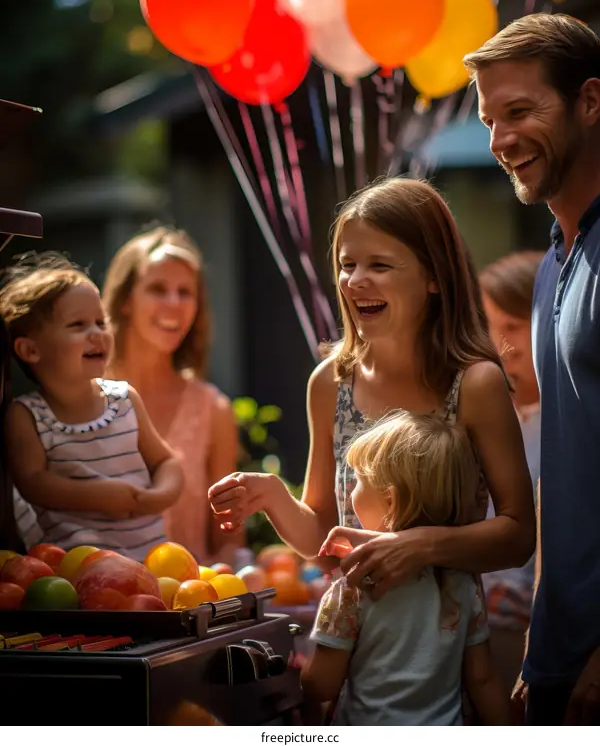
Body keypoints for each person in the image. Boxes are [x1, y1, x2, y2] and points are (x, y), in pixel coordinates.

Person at [209, 177, 535, 599]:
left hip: (449, 643)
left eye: (379, 265)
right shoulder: (329, 383)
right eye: (347, 265)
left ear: (435, 276)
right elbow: (325, 544)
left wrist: (419, 547)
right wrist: (272, 496)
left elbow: (519, 535)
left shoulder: (476, 383)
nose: (354, 281)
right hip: (353, 641)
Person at [463, 12, 600, 725]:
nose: (501, 140)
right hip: (557, 661)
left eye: (520, 111)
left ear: (590, 101)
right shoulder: (552, 265)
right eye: (490, 120)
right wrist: (543, 646)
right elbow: (563, 477)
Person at [302, 410, 509, 725]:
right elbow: (483, 679)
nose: (350, 491)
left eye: (358, 481)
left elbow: (321, 684)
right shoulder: (463, 582)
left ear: (390, 501)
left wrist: (298, 669)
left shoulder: (355, 585)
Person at [0, 252, 183, 560]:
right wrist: (100, 496)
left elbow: (167, 462)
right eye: (78, 325)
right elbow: (32, 482)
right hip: (77, 573)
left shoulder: (124, 400)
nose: (97, 333)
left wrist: (159, 496)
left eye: (100, 322)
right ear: (31, 349)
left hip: (152, 561)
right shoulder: (26, 415)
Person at [103, 225, 242, 566]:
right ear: (125, 301)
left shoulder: (214, 411)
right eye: (157, 289)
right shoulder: (80, 398)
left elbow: (229, 542)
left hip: (184, 609)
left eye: (185, 292)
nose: (173, 304)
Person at [479, 251, 544, 692]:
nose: (502, 345)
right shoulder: (490, 411)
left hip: (523, 625)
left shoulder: (568, 421)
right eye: (491, 325)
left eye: (513, 326)